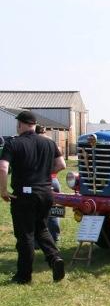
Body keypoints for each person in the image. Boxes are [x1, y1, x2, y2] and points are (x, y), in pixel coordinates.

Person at [0, 111, 66, 283]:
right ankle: (55, 258)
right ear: (35, 125)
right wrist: (44, 175)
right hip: (46, 192)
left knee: (25, 235)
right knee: (41, 229)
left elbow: (3, 168)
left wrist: (3, 190)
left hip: (24, 195)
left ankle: (24, 275)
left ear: (20, 124)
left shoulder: (13, 143)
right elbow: (61, 164)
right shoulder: (49, 143)